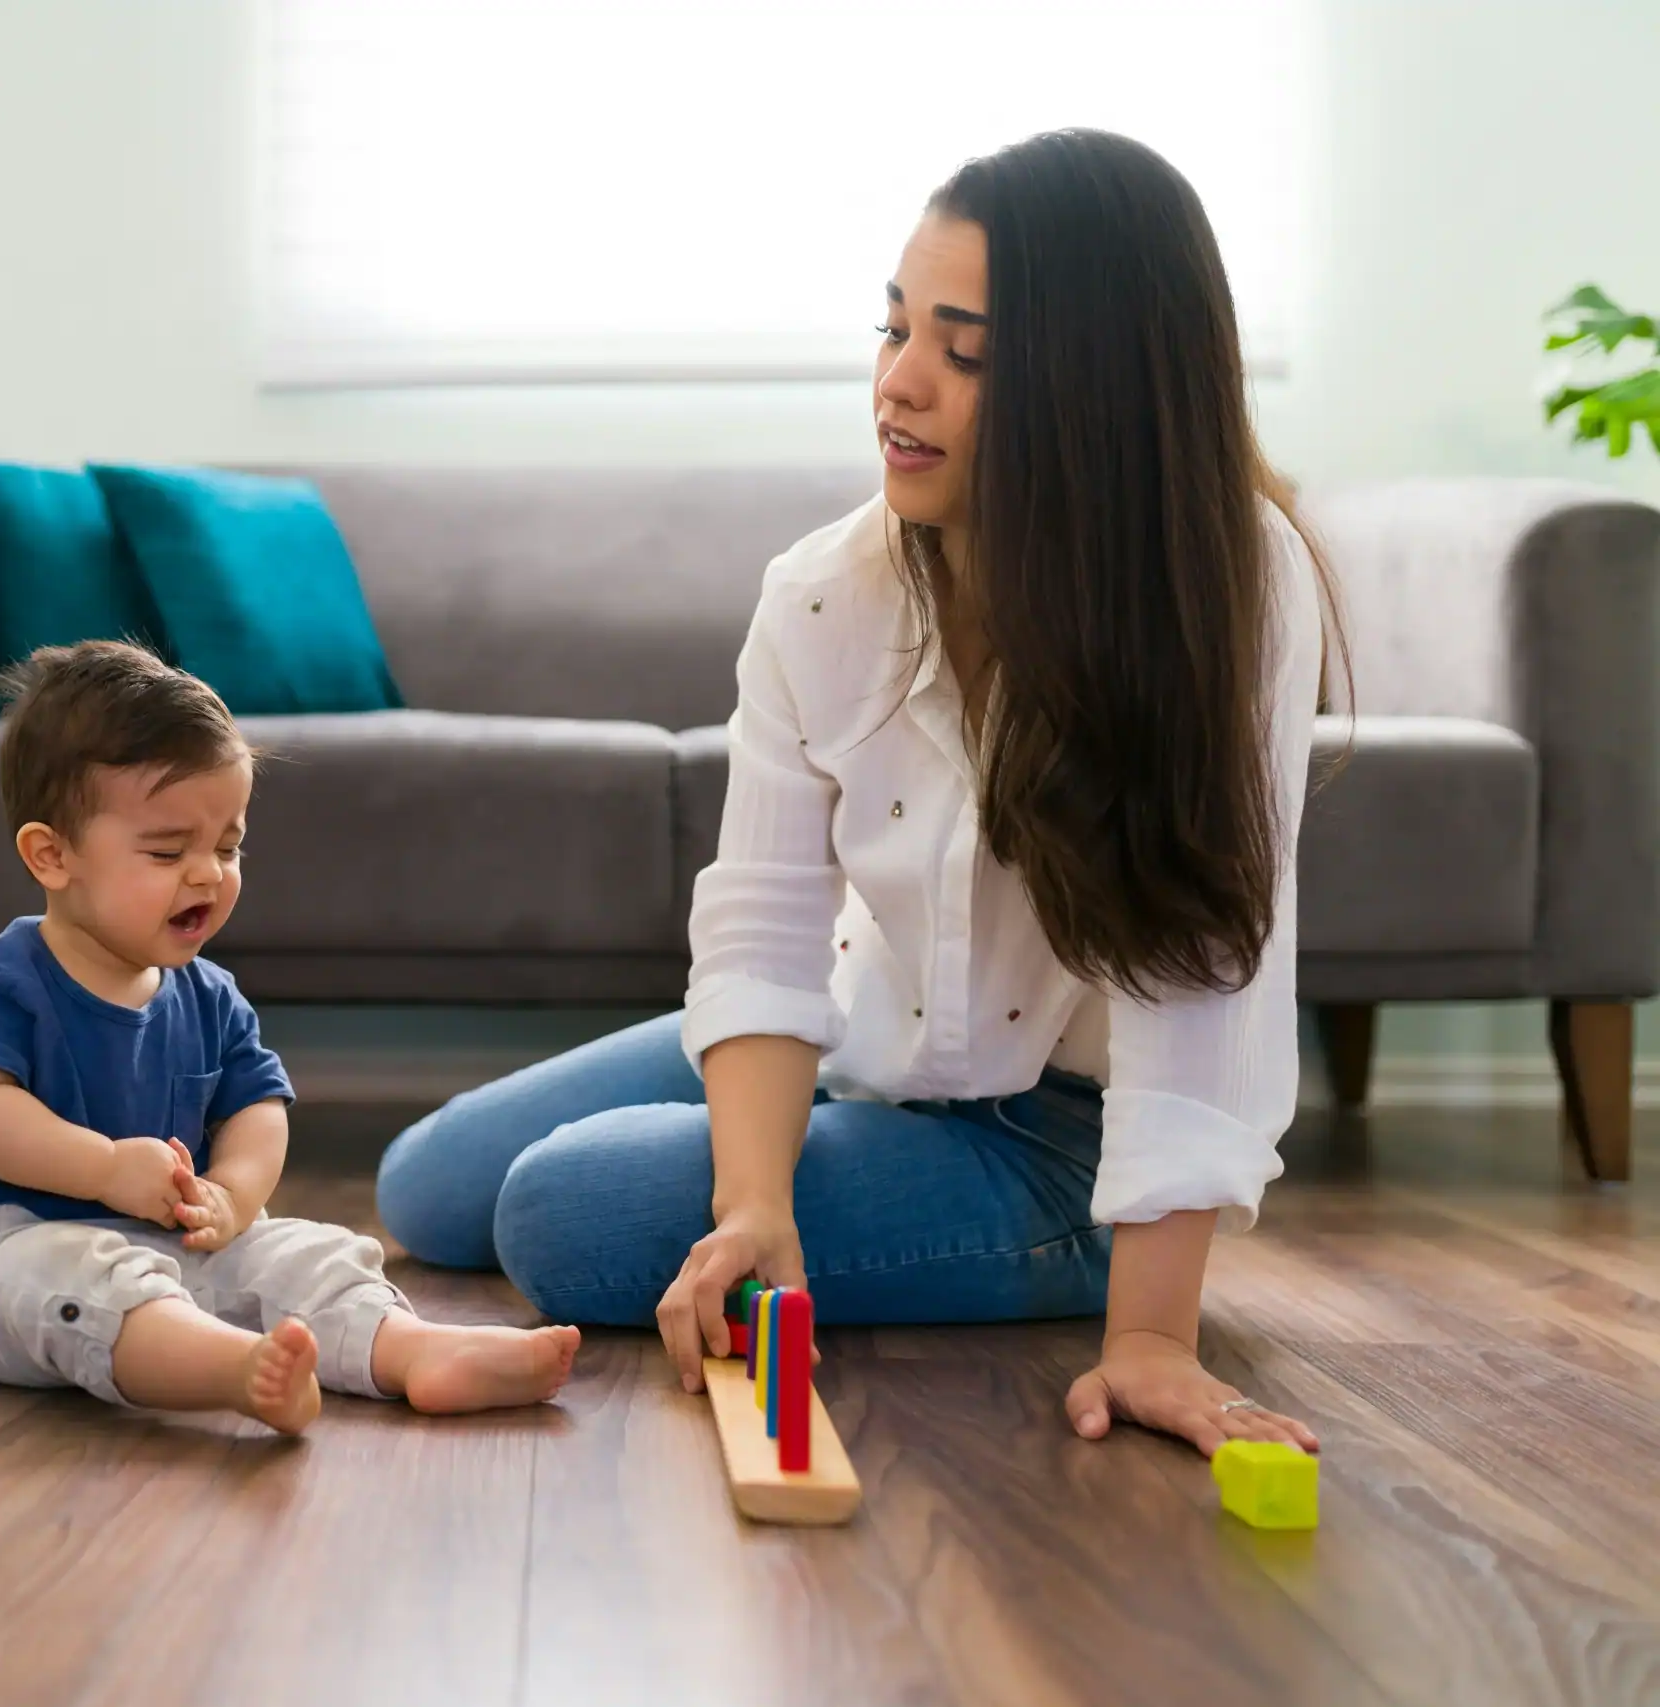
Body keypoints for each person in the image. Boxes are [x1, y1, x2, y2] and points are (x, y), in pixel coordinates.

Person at [375, 129, 1338, 1460]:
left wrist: (1152, 1337)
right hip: (865, 1041)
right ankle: (806, 1156)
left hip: (1061, 1143)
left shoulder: (1237, 584)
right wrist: (756, 1195)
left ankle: (982, 1230)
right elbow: (770, 922)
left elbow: (1204, 972)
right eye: (894, 329)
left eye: (967, 352)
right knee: (427, 1184)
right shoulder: (828, 592)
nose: (900, 384)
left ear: (1094, 389)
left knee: (560, 1216)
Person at [0, 640, 580, 1434]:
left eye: (227, 847)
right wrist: (105, 1168)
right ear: (52, 855)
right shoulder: (4, 979)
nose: (208, 874)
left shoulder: (210, 994)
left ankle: (411, 1349)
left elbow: (259, 1108)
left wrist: (234, 1194)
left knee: (300, 1251)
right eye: (167, 851)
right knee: (72, 1270)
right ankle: (230, 1368)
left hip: (165, 1242)